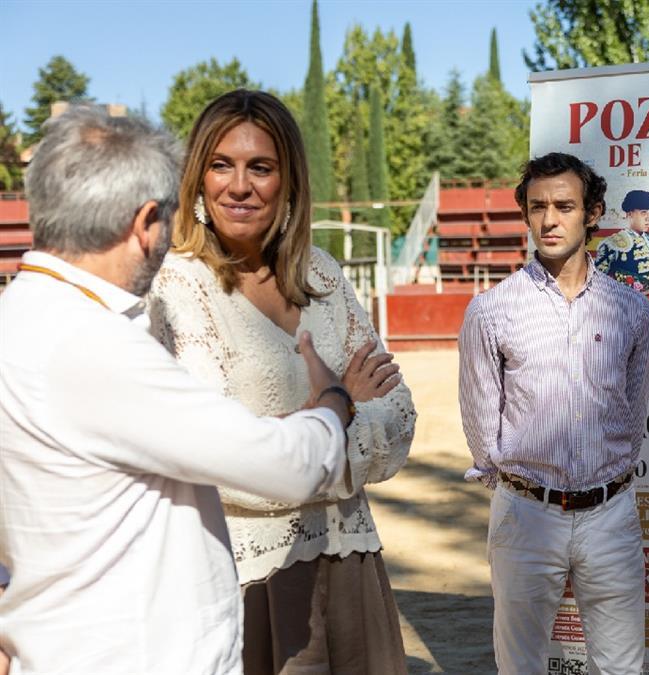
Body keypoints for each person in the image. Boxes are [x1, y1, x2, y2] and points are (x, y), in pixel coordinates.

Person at [0, 107, 352, 674]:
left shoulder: (16, 318)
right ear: (146, 222)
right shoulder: (94, 342)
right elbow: (287, 466)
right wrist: (334, 403)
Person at [147, 90, 416, 675]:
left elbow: (399, 421)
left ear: (288, 179)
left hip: (349, 560)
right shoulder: (173, 288)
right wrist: (341, 405)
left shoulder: (322, 273)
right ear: (198, 177)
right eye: (222, 165)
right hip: (242, 575)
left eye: (260, 167)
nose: (238, 186)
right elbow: (211, 457)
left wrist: (300, 430)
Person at [458, 152, 649, 675]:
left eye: (564, 206)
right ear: (524, 213)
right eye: (538, 206)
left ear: (592, 213)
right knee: (520, 666)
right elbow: (480, 425)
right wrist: (521, 488)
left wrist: (604, 479)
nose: (549, 220)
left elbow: (632, 418)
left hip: (611, 514)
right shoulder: (491, 309)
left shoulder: (632, 310)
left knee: (620, 667)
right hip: (524, 512)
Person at [595, 189, 649, 301]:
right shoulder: (613, 243)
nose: (648, 217)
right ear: (629, 214)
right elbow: (598, 283)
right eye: (643, 212)